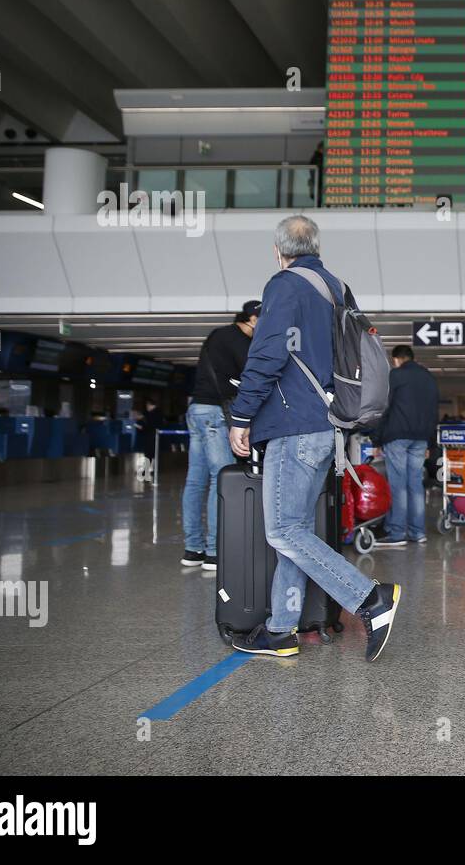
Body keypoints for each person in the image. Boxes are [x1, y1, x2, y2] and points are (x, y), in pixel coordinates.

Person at [226, 215, 401, 662]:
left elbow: (268, 353)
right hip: (328, 426)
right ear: (317, 248)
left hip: (294, 426)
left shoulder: (284, 285)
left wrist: (241, 415)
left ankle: (369, 599)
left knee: (283, 530)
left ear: (278, 251)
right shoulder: (337, 288)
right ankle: (281, 631)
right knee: (295, 533)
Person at [180, 300, 259, 570]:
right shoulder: (239, 340)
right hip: (214, 412)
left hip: (196, 409)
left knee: (195, 481)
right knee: (221, 477)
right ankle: (214, 551)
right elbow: (252, 375)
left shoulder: (217, 334)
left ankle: (192, 549)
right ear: (251, 318)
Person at [373, 344, 439, 546]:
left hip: (398, 437)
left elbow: (384, 407)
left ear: (397, 359)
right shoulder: (428, 378)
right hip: (420, 438)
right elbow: (433, 411)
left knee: (398, 485)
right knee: (415, 484)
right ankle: (418, 532)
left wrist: (376, 439)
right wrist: (430, 442)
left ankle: (397, 533)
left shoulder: (396, 376)